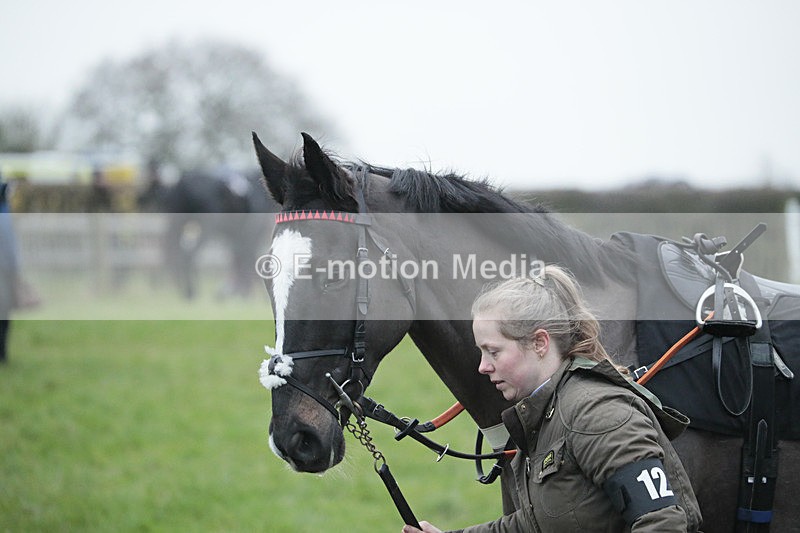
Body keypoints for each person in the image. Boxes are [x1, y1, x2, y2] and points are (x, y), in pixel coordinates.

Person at [403, 266, 701, 532]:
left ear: (539, 343)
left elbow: (663, 521)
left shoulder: (597, 413)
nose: (483, 366)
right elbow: (535, 523)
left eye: (493, 352)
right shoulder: (545, 414)